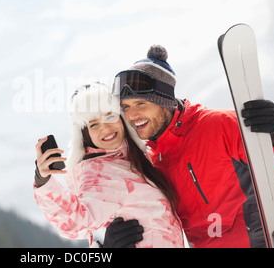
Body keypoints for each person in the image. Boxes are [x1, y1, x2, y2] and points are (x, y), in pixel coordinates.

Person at [105, 45, 274, 248]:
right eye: (126, 107)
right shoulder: (151, 164)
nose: (132, 116)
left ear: (164, 101)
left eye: (141, 104)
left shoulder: (218, 125)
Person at [33, 82, 184, 248]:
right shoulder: (98, 173)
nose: (105, 128)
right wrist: (44, 182)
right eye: (94, 124)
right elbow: (75, 220)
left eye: (110, 116)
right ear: (86, 135)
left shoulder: (136, 159)